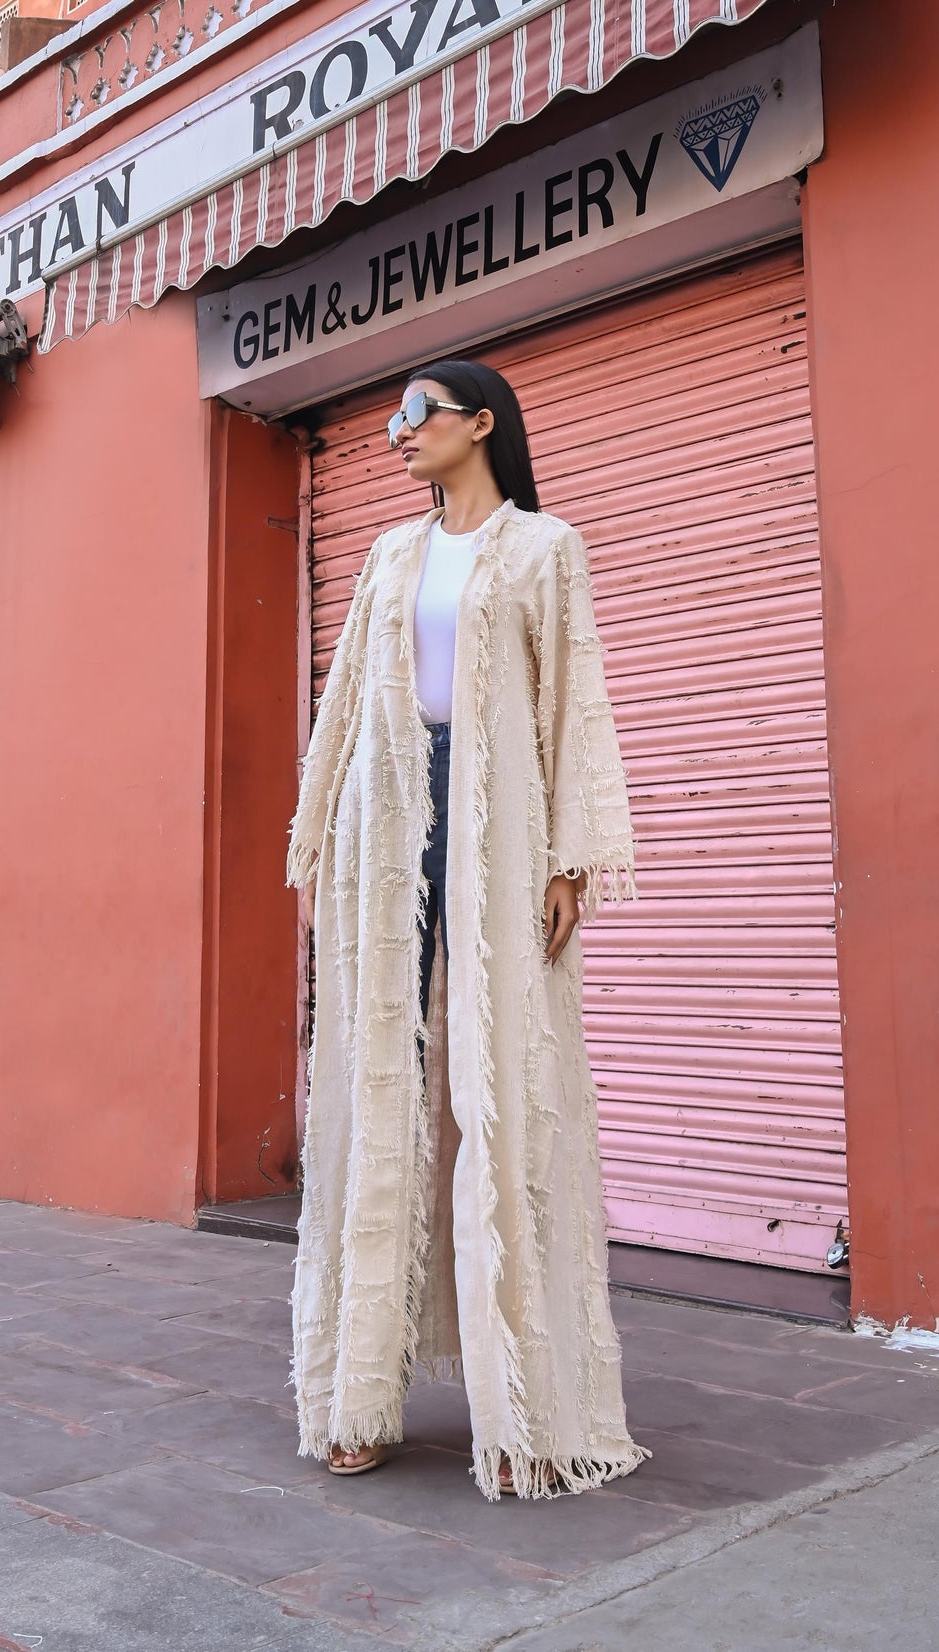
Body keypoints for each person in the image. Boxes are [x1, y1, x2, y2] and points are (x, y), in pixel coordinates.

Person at [287, 357, 647, 1502]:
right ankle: (357, 1396)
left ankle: (529, 1413)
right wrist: (318, 840)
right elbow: (345, 699)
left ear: (478, 424)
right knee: (376, 1085)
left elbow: (572, 703)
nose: (395, 432)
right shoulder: (392, 556)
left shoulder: (545, 550)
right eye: (390, 416)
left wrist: (569, 857)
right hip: (385, 819)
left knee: (505, 1085)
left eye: (416, 413)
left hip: (496, 818)